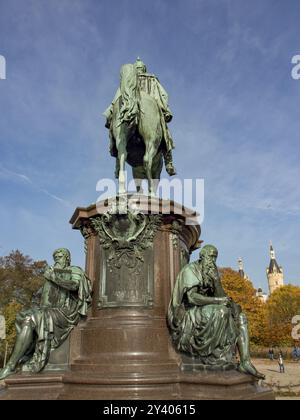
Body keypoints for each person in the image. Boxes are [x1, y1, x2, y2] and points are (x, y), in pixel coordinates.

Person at [168, 245, 265, 379]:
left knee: (240, 316)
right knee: (221, 311)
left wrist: (216, 281)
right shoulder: (191, 270)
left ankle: (245, 361)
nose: (213, 260)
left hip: (206, 307)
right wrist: (217, 300)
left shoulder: (211, 272)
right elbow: (192, 297)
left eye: (215, 257)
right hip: (189, 310)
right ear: (202, 256)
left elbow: (221, 295)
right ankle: (216, 355)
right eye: (211, 256)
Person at [0, 248, 92, 380]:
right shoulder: (51, 272)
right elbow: (44, 295)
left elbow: (74, 286)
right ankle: (23, 357)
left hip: (66, 312)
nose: (56, 260)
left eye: (59, 257)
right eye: (55, 257)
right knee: (23, 316)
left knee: (32, 318)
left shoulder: (74, 270)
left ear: (67, 258)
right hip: (50, 309)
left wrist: (54, 278)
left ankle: (10, 366)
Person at [103, 57, 177, 176]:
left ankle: (118, 166)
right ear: (144, 69)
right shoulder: (152, 79)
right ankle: (169, 162)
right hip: (150, 112)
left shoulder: (128, 81)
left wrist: (111, 112)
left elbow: (117, 99)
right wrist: (164, 110)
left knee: (117, 130)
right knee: (165, 133)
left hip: (128, 106)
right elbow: (162, 96)